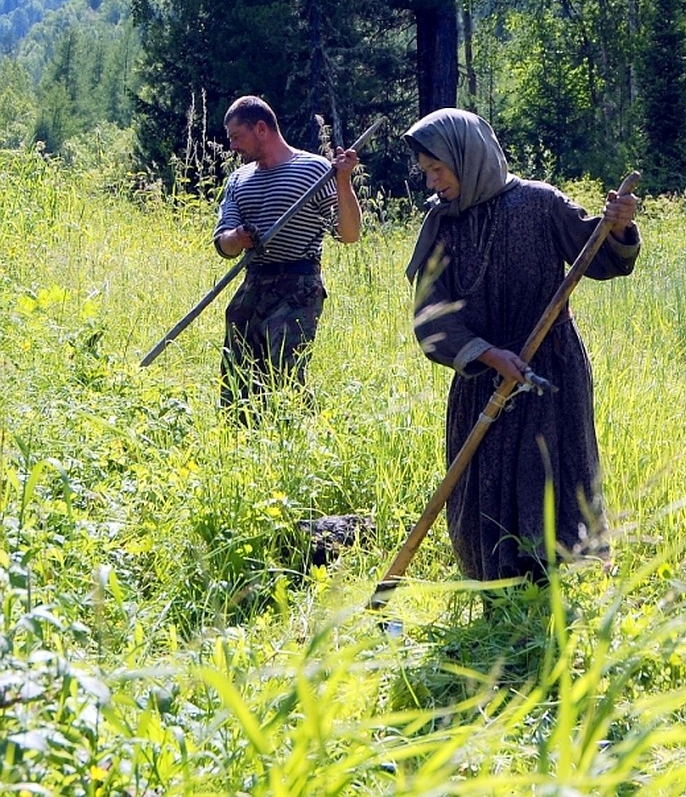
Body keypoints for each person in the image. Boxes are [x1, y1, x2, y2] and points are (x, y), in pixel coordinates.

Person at [403, 108, 640, 584]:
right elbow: (431, 318)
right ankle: (497, 589)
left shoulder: (539, 203)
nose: (433, 181)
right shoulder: (443, 223)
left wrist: (616, 227)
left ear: (466, 159)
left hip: (547, 368)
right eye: (426, 171)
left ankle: (547, 590)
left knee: (546, 474)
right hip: (481, 371)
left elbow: (598, 256)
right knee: (483, 483)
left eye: (438, 169)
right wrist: (487, 355)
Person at [213, 95, 362, 415]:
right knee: (237, 375)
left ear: (261, 128)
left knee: (284, 372)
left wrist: (344, 181)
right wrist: (237, 238)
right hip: (254, 283)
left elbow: (348, 235)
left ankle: (300, 439)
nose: (233, 146)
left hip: (299, 284)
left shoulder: (314, 171)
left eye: (237, 137)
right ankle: (240, 443)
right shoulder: (239, 180)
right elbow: (223, 243)